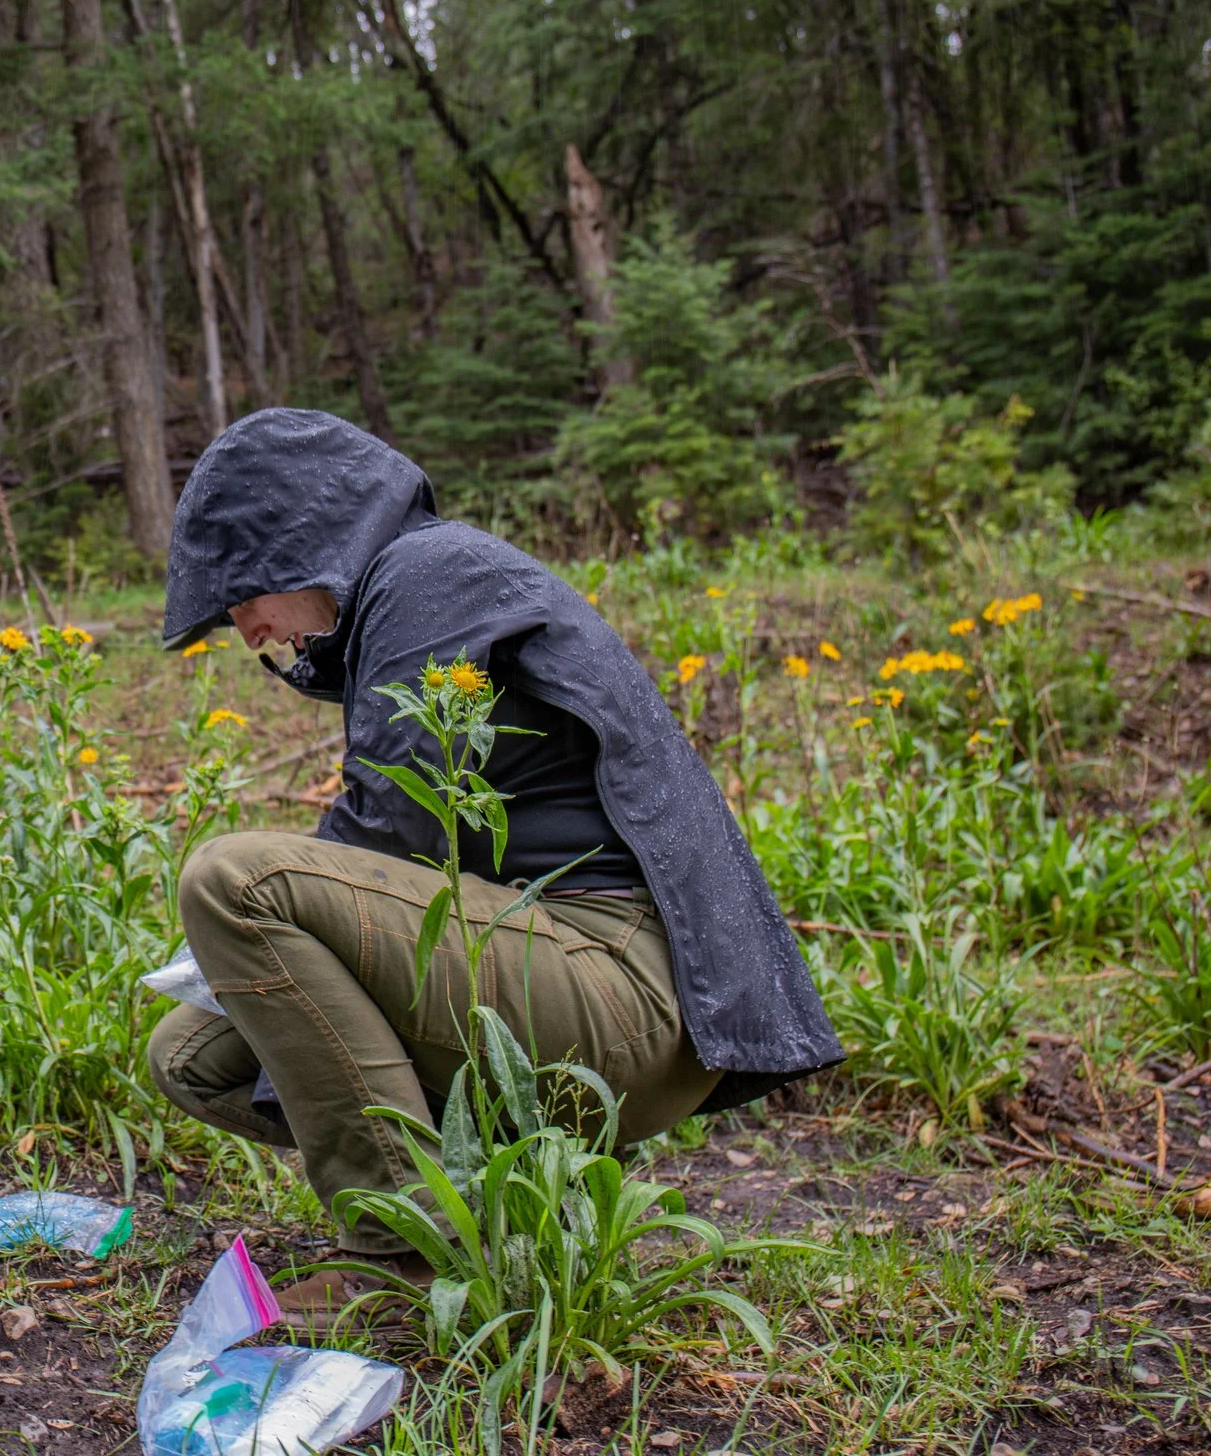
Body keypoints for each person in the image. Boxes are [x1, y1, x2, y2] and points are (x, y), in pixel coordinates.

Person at [147, 408, 841, 1316]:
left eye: (241, 597)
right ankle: (497, 1203)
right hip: (555, 974)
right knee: (193, 1054)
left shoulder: (428, 571)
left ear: (297, 536)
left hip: (623, 989)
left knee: (232, 881)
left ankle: (404, 1254)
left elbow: (387, 822)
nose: (246, 630)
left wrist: (245, 940)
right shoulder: (412, 591)